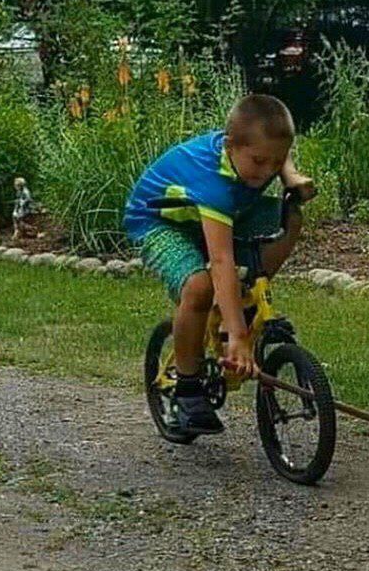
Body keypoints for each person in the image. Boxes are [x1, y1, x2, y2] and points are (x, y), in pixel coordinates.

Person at [124, 93, 314, 436]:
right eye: (259, 162)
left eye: (275, 162)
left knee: (290, 215)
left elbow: (275, 153)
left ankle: (241, 297)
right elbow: (221, 259)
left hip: (218, 212)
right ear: (230, 146)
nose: (267, 171)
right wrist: (238, 336)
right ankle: (188, 388)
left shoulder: (254, 154)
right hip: (160, 221)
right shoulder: (212, 181)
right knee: (200, 287)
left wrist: (291, 175)